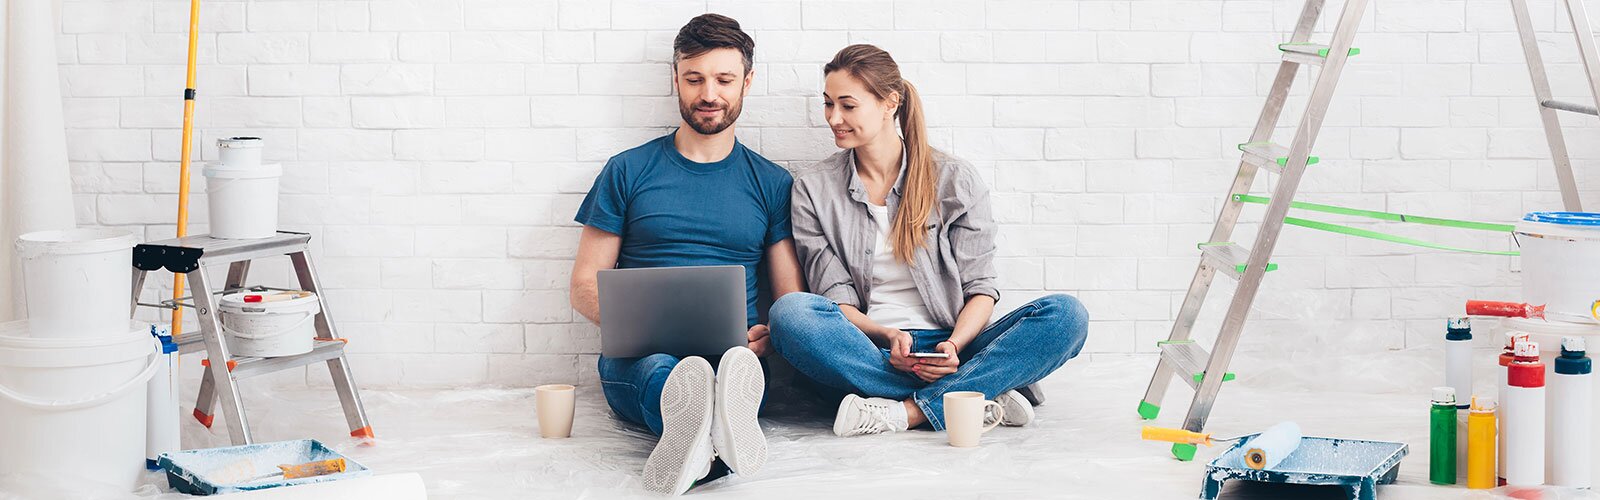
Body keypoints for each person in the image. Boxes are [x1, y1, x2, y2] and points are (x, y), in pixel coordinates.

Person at [767, 44, 1089, 437]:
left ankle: (909, 411)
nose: (834, 118)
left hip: (954, 346)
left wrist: (953, 346)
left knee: (1067, 315)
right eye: (828, 104)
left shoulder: (954, 179)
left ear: (890, 103)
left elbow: (981, 290)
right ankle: (977, 393)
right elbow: (836, 299)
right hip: (871, 348)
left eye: (848, 105)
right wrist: (888, 336)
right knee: (790, 314)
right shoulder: (813, 189)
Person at [568, 14, 803, 495]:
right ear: (675, 79)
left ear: (747, 83)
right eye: (694, 79)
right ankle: (706, 430)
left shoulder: (772, 183)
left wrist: (769, 338)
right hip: (639, 355)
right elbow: (583, 285)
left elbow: (790, 298)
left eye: (724, 79)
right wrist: (639, 327)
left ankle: (702, 435)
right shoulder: (627, 170)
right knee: (661, 371)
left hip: (733, 354)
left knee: (732, 373)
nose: (709, 94)